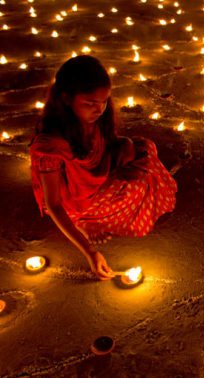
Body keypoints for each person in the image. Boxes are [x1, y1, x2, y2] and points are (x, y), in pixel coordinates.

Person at [29, 55, 178, 279]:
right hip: (75, 202)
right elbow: (54, 204)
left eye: (104, 101)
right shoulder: (50, 145)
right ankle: (85, 222)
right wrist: (90, 252)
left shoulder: (95, 117)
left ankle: (97, 214)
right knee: (137, 188)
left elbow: (107, 144)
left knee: (141, 151)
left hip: (94, 178)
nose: (99, 109)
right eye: (89, 103)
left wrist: (122, 157)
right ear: (66, 99)